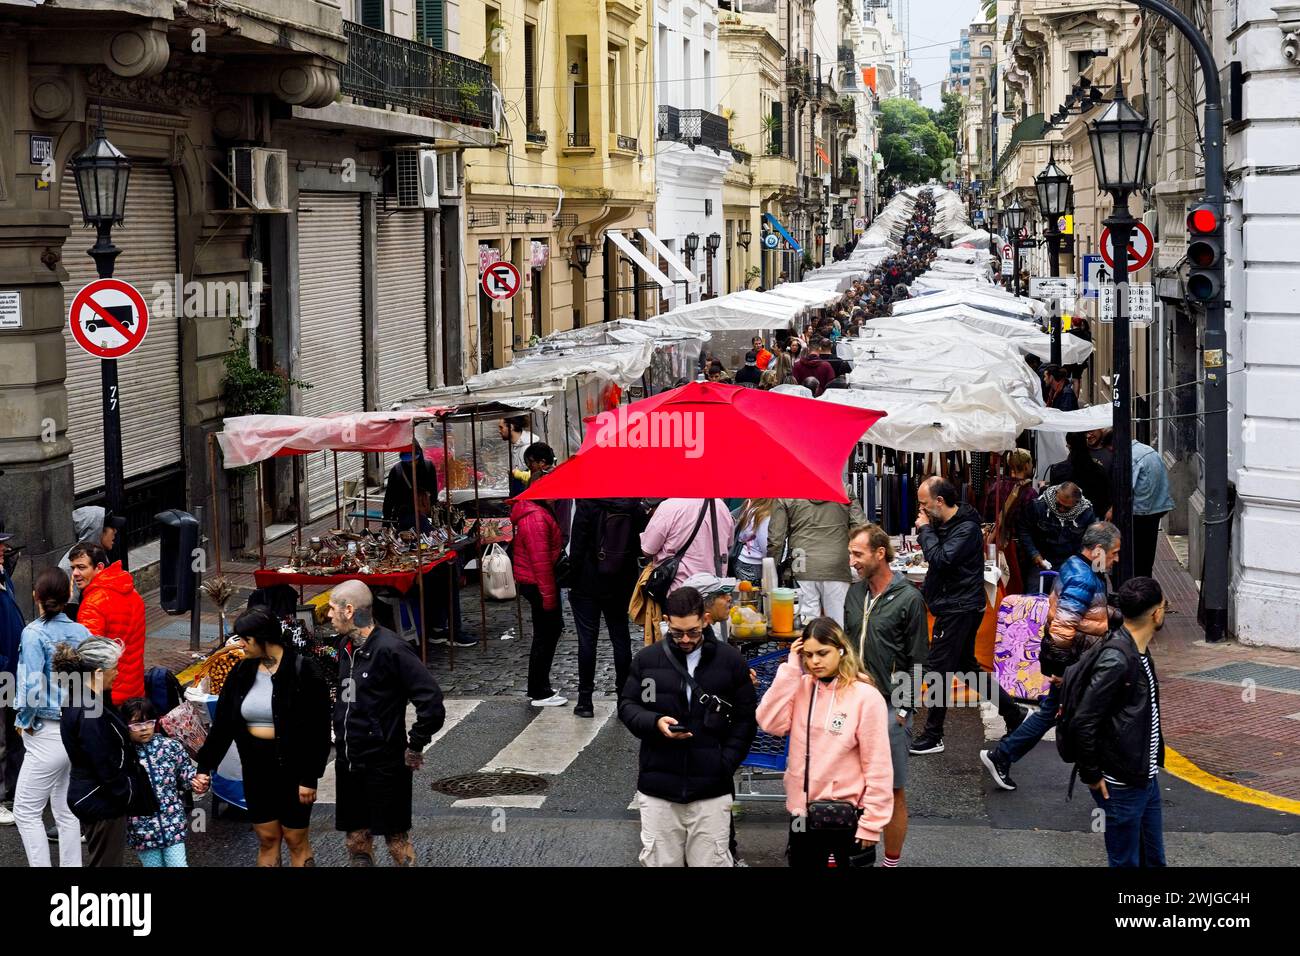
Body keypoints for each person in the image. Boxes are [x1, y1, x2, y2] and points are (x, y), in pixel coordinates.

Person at [617, 587, 757, 867]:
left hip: (711, 790)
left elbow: (746, 719)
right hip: (659, 788)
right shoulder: (648, 661)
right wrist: (655, 722)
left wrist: (724, 763)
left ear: (705, 620)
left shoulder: (730, 661)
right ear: (667, 621)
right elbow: (628, 707)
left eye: (692, 632)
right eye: (677, 632)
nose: (685, 640)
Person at [980, 522, 1121, 792]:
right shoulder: (1083, 577)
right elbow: (1063, 627)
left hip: (1074, 661)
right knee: (1084, 713)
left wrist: (1116, 614)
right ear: (1099, 550)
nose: (1116, 558)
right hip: (1074, 663)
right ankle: (1105, 777)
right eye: (1113, 553)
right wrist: (1061, 670)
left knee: (1053, 713)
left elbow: (1089, 611)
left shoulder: (1077, 565)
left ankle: (1002, 756)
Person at [195, 606, 332, 866]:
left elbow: (319, 729)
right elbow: (223, 724)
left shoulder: (304, 671)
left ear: (263, 639)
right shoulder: (240, 673)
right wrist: (205, 766)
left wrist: (309, 777)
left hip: (294, 769)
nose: (240, 645)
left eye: (245, 640)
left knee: (295, 838)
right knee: (267, 837)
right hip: (257, 769)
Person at [755, 617, 893, 868]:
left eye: (822, 653)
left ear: (841, 650)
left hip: (847, 813)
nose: (815, 661)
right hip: (801, 812)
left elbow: (878, 765)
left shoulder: (866, 696)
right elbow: (769, 722)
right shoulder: (800, 686)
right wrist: (790, 670)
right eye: (808, 655)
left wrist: (872, 824)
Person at [327, 580, 445, 866]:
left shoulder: (393, 649)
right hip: (349, 761)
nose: (328, 616)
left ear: (349, 610)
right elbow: (346, 699)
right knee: (356, 841)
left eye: (332, 609)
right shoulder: (344, 647)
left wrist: (415, 744)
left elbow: (431, 703)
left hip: (385, 764)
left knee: (396, 842)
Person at [910, 477, 1025, 755]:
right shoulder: (949, 524)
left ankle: (933, 735)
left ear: (939, 501)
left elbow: (940, 559)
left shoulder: (966, 529)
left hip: (958, 608)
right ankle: (1014, 713)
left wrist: (925, 531)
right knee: (966, 670)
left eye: (924, 505)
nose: (921, 512)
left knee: (938, 669)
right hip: (957, 605)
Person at [843, 524, 930, 868]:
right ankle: (853, 858)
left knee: (891, 790)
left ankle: (890, 864)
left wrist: (905, 709)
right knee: (848, 789)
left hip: (889, 707)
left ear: (880, 553)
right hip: (851, 704)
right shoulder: (853, 594)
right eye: (851, 554)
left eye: (858, 554)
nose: (852, 561)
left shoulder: (909, 599)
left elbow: (919, 661)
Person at [1075, 577, 1167, 867]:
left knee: (1153, 861)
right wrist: (1091, 775)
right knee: (1126, 863)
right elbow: (1083, 721)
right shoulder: (1118, 660)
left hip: (1144, 777)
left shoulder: (1138, 651)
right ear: (1156, 614)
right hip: (1122, 784)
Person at [57, 636, 159, 866]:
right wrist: (127, 792)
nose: (118, 673)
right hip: (101, 800)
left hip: (93, 794)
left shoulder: (86, 699)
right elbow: (104, 762)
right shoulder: (90, 710)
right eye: (115, 668)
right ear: (99, 672)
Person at [11, 568, 88, 865]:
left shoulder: (33, 633)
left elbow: (32, 685)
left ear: (37, 596)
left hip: (46, 731)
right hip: (75, 729)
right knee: (66, 808)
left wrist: (23, 722)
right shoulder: (82, 632)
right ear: (68, 596)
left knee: (25, 811)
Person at [567, 498, 648, 718]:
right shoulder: (634, 507)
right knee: (620, 638)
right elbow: (644, 547)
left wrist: (573, 578)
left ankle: (585, 701)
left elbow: (577, 546)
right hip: (620, 581)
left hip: (587, 581)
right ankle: (623, 699)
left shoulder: (587, 504)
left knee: (587, 641)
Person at [122, 698, 206, 867]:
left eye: (149, 722)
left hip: (173, 822)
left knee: (178, 865)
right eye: (136, 724)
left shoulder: (171, 747)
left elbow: (185, 774)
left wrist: (195, 780)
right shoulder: (123, 754)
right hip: (141, 829)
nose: (144, 728)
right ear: (125, 725)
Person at [768, 485, 866, 627]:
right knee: (837, 623)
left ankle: (809, 648)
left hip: (801, 563)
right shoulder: (844, 489)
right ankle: (837, 648)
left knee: (806, 622)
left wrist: (772, 570)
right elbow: (861, 527)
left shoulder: (785, 492)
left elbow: (775, 540)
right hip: (836, 562)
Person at [67, 543, 145, 707]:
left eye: (81, 567)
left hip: (109, 696)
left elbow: (89, 659)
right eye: (73, 568)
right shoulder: (132, 593)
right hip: (136, 691)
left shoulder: (92, 605)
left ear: (99, 567)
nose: (75, 574)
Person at [511, 488, 566, 707]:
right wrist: (549, 597)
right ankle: (539, 691)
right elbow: (541, 563)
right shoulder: (536, 517)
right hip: (539, 583)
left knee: (547, 633)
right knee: (546, 635)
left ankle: (541, 686)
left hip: (536, 582)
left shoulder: (536, 513)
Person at [640, 497, 734, 592]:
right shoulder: (721, 506)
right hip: (713, 588)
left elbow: (648, 550)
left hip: (678, 590)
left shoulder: (669, 506)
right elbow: (729, 544)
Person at [1019, 482, 1096, 593]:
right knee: (1033, 596)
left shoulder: (1085, 513)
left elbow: (1091, 541)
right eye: (1058, 504)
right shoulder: (1039, 506)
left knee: (1070, 597)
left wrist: (1079, 561)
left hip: (1071, 561)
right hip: (1042, 558)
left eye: (1066, 508)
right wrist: (1034, 554)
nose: (1060, 510)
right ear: (1055, 494)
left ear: (1076, 503)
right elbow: (1024, 530)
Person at [983, 449, 1039, 596]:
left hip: (995, 545)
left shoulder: (996, 486)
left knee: (999, 587)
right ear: (1027, 465)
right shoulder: (1030, 493)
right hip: (1019, 550)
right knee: (1017, 589)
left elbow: (987, 518)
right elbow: (1032, 525)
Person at [0, 529, 25, 824]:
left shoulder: (4, 577)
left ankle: (15, 790)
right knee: (2, 740)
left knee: (13, 733)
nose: (4, 549)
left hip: (13, 671)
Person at [58, 506, 127, 605]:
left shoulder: (100, 555)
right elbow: (70, 610)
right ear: (98, 531)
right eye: (111, 527)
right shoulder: (67, 567)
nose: (115, 531)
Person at [1130, 440, 1175, 579]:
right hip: (1154, 510)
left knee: (1136, 559)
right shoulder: (1147, 450)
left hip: (1140, 512)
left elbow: (1126, 487)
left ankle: (1138, 591)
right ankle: (1145, 589)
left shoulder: (1131, 456)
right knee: (1145, 559)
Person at [1047, 432, 1112, 521]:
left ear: (1069, 446)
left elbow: (1053, 497)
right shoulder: (1099, 469)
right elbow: (1106, 498)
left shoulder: (1058, 469)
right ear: (1086, 443)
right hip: (1093, 518)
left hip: (1066, 518)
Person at [524, 442, 572, 549]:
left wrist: (559, 545)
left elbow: (563, 522)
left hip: (549, 543)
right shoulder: (536, 479)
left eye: (531, 462)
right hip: (538, 540)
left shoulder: (557, 481)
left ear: (542, 462)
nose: (529, 467)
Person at [681, 573, 737, 641]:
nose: (729, 598)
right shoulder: (701, 640)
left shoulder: (710, 633)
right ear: (705, 605)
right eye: (722, 595)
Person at [732, 498, 773, 585]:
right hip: (754, 564)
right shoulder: (764, 516)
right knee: (756, 595)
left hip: (743, 560)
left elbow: (742, 536)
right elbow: (765, 546)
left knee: (746, 593)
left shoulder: (751, 509)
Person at [500, 416, 539, 496]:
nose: (499, 431)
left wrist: (517, 474)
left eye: (501, 427)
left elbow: (537, 476)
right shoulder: (515, 445)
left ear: (511, 427)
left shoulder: (528, 447)